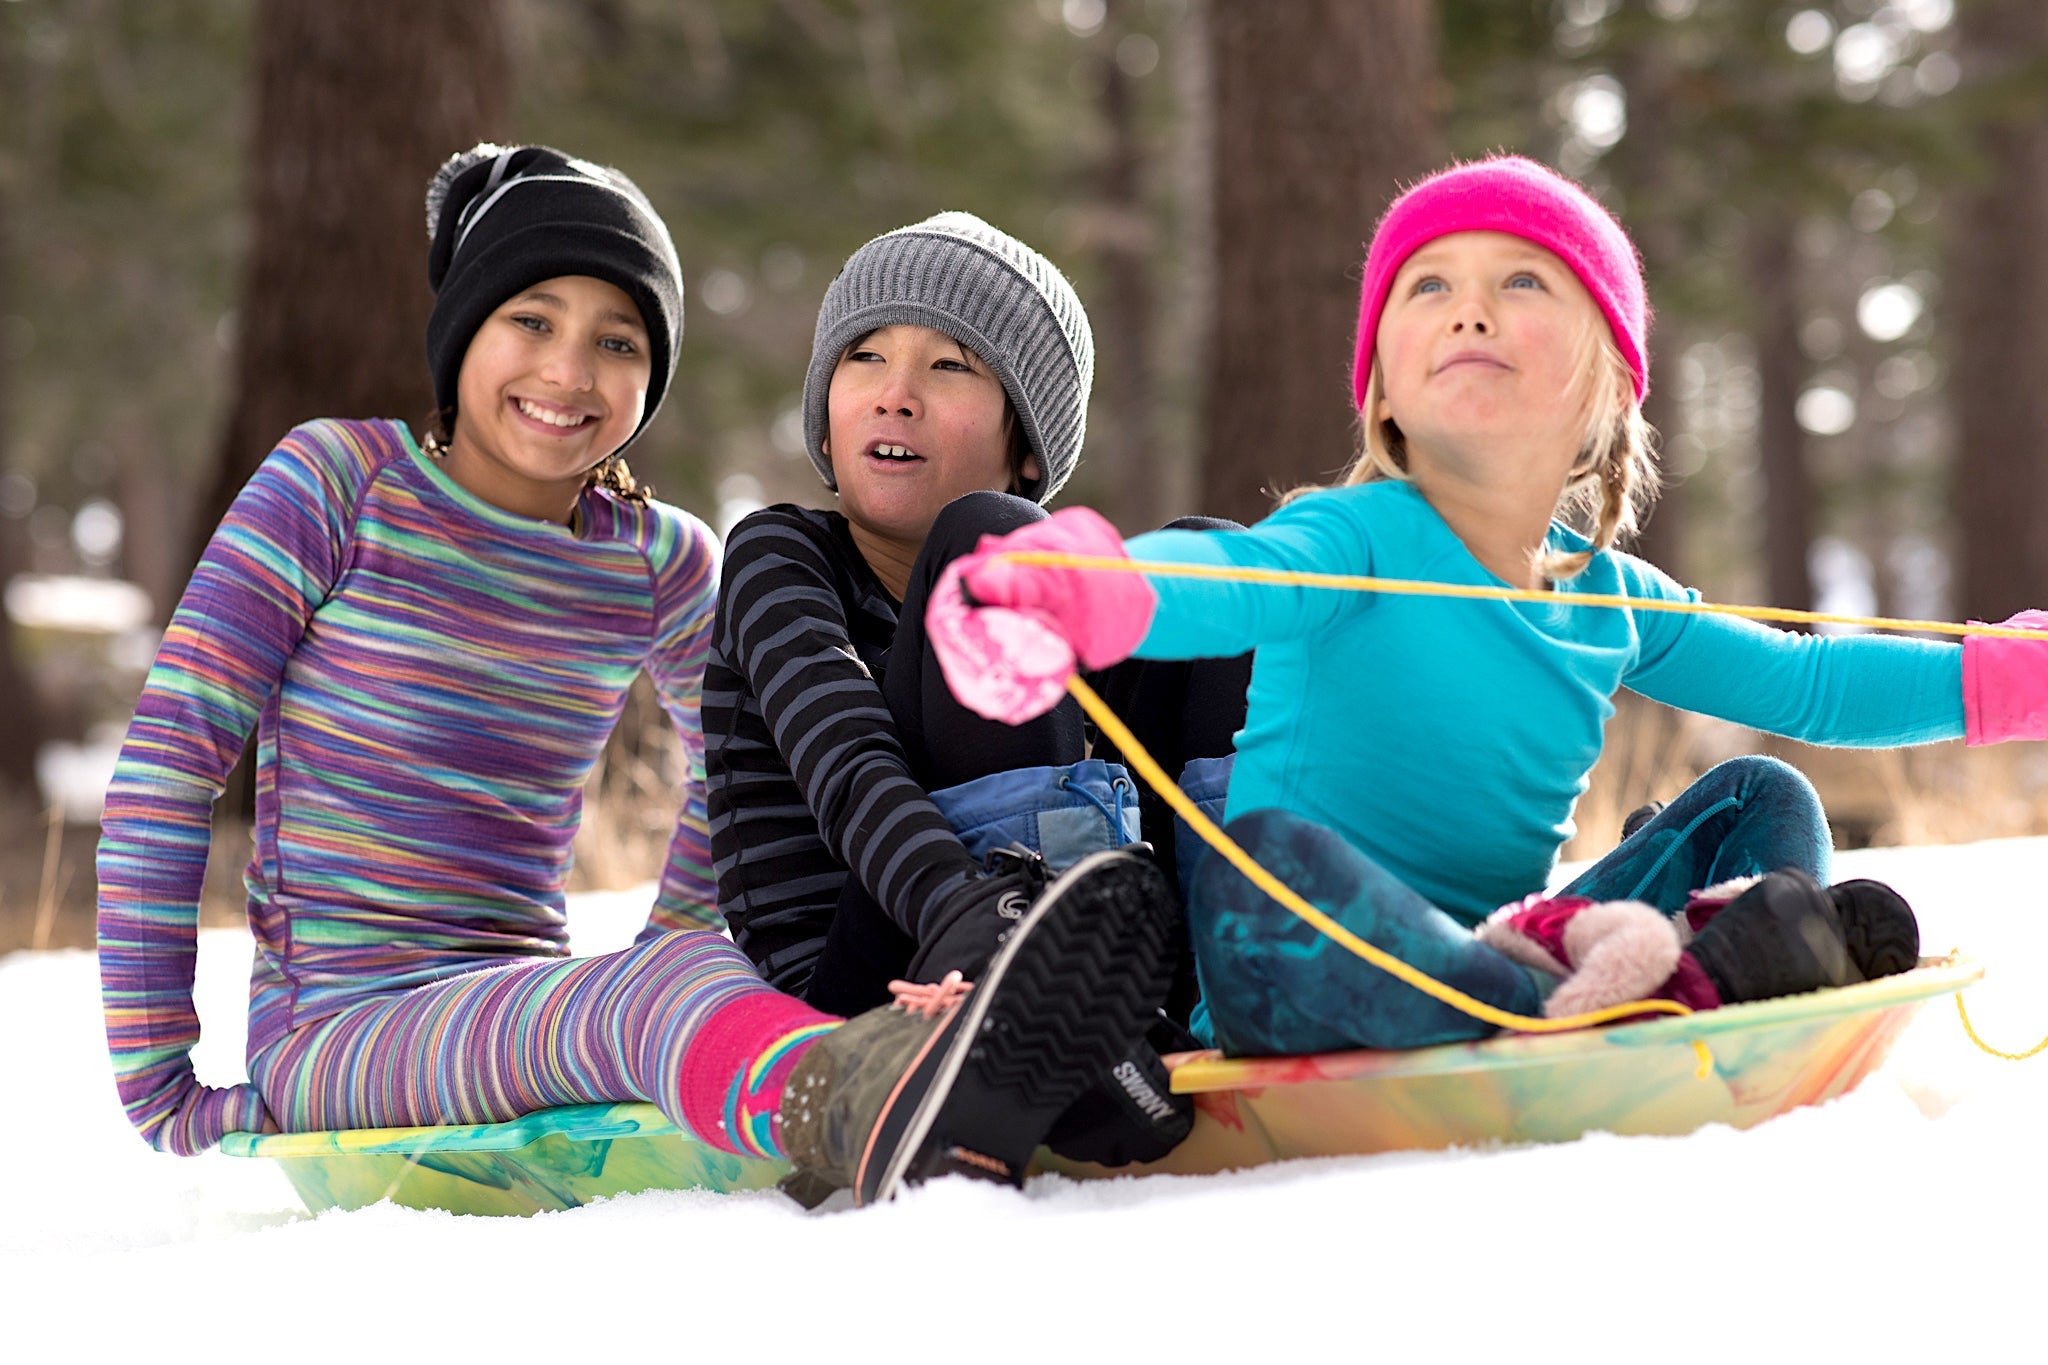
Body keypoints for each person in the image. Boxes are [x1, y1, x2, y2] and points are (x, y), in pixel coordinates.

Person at [95, 143, 1178, 1207]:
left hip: (526, 1006)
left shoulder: (658, 559)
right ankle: (856, 1098)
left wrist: (670, 948)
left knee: (689, 970)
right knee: (673, 982)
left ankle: (958, 1039)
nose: (568, 371)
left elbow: (735, 761)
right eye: (532, 320)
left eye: (616, 341)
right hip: (338, 1023)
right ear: (463, 330)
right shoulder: (339, 485)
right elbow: (170, 765)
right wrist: (164, 1088)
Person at [925, 155, 2048, 1057]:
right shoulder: (1355, 538)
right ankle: (1648, 980)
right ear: (1383, 394)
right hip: (1301, 978)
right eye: (1430, 287)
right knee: (1268, 859)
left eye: (1521, 281)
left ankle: (1611, 979)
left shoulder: (1606, 596)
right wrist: (1091, 591)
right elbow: (1221, 580)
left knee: (1757, 799)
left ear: (1607, 381)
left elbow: (1804, 679)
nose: (1470, 309)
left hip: (1499, 954)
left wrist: (2008, 684)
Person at [705, 212, 1249, 1161]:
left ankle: (1246, 962)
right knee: (986, 554)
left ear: (1028, 445)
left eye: (950, 366)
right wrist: (983, 922)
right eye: (865, 358)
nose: (896, 396)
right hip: (869, 978)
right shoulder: (783, 557)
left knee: (1205, 564)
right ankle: (1045, 989)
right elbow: (849, 767)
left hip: (1069, 960)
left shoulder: (1056, 603)